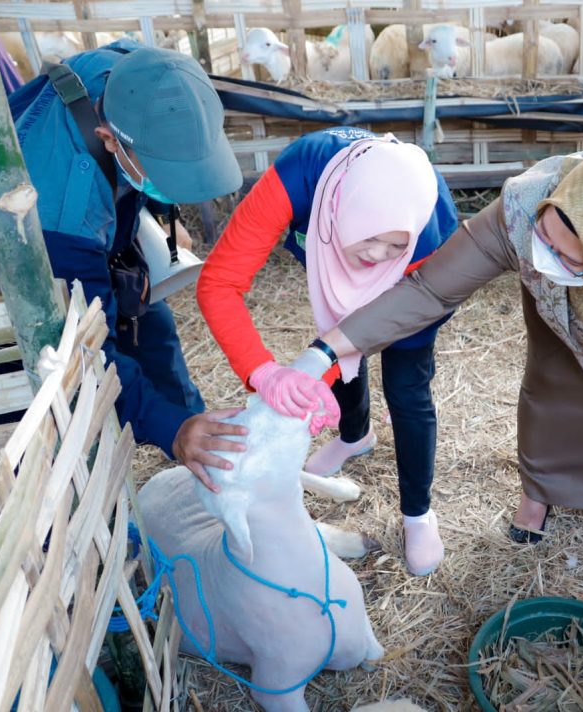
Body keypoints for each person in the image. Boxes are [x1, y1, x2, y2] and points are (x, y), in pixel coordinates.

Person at [315, 146, 583, 560]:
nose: (543, 256)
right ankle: (538, 493)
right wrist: (325, 351)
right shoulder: (523, 206)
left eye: (564, 257)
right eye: (544, 238)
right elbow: (428, 290)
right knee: (552, 392)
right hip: (558, 311)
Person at [0, 41, 248, 484]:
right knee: (32, 402)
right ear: (109, 139)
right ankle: (41, 518)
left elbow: (158, 135)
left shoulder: (133, 76)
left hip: (96, 211)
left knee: (152, 323)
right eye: (161, 171)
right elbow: (85, 350)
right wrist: (169, 430)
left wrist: (157, 217)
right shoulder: (62, 222)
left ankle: (202, 446)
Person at [196, 128, 459, 577]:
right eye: (370, 237)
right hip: (327, 246)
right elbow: (219, 281)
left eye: (393, 243)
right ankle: (355, 436)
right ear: (343, 204)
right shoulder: (300, 175)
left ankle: (418, 513)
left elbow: (414, 298)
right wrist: (264, 373)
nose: (377, 254)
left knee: (407, 385)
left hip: (412, 285)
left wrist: (397, 251)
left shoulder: (430, 225)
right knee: (336, 342)